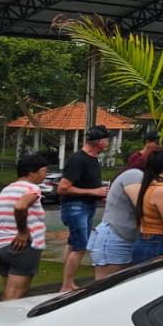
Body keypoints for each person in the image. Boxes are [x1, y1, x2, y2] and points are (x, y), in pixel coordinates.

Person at [58, 125, 111, 294]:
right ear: (101, 142)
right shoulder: (78, 159)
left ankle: (68, 281)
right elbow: (63, 188)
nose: (108, 144)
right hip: (76, 206)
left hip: (87, 205)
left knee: (73, 243)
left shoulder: (93, 158)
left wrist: (98, 193)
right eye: (107, 140)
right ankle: (66, 285)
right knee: (81, 246)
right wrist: (93, 191)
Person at [0, 152, 49, 301]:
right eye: (44, 171)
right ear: (31, 172)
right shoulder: (32, 189)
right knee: (16, 295)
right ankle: (9, 323)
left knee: (7, 293)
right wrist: (23, 232)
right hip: (21, 247)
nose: (45, 175)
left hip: (0, 247)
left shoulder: (7, 189)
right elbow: (20, 206)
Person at [87, 164, 146, 281]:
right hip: (114, 237)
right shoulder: (135, 175)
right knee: (106, 287)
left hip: (122, 238)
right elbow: (143, 208)